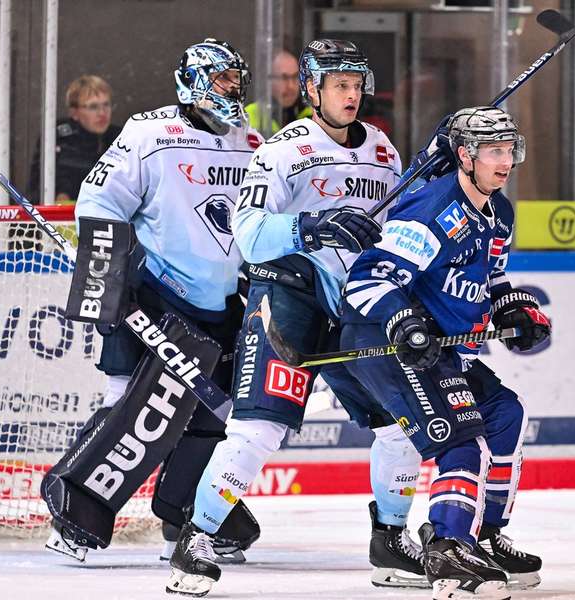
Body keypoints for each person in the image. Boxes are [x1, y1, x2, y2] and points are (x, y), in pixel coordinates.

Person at [164, 39, 422, 597]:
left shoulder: (382, 149)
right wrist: (313, 227)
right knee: (260, 427)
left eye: (357, 85)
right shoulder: (282, 151)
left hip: (357, 302)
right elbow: (249, 233)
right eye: (339, 86)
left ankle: (392, 537)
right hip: (289, 298)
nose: (351, 96)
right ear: (312, 89)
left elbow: (400, 225)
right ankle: (197, 537)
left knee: (401, 421)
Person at [44, 39, 264, 566]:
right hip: (151, 296)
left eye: (237, 80)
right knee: (126, 401)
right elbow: (99, 202)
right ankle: (75, 514)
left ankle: (182, 516)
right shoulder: (148, 133)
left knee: (214, 416)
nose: (234, 90)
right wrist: (107, 284)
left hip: (223, 305)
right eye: (224, 80)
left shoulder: (249, 141)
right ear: (194, 80)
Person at [341, 106, 549, 599]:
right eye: (493, 152)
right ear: (464, 155)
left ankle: (482, 535)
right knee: (462, 437)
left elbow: (491, 276)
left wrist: (512, 308)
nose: (505, 162)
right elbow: (367, 280)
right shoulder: (432, 209)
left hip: (439, 350)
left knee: (504, 414)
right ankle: (448, 547)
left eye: (509, 151)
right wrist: (404, 319)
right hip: (384, 342)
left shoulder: (499, 211)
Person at [30, 75, 122, 204]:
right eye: (93, 107)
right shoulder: (56, 136)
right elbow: (39, 187)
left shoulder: (121, 138)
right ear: (74, 112)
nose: (102, 113)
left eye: (106, 105)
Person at [244, 49, 312, 135]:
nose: (291, 86)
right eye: (284, 78)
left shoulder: (313, 117)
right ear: (268, 81)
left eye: (295, 77)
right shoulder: (248, 116)